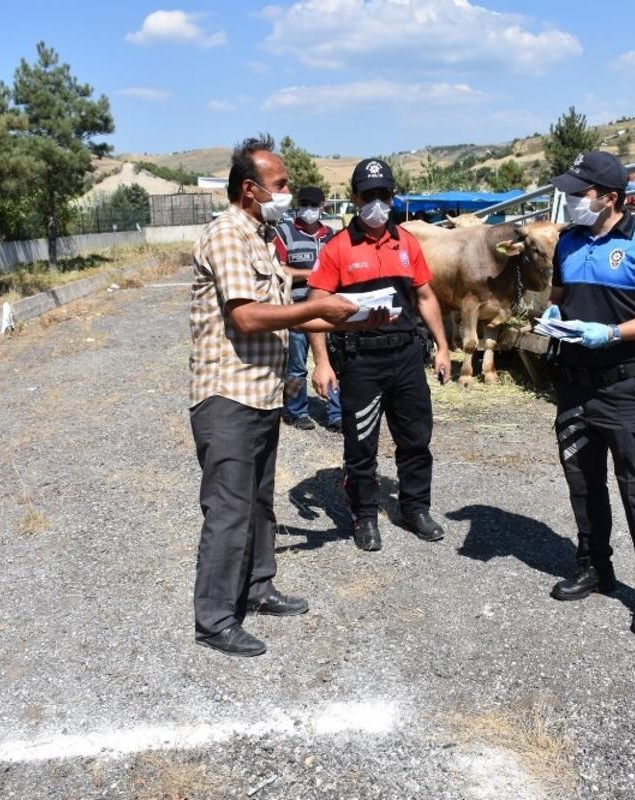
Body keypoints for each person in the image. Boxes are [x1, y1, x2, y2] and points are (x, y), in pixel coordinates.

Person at [187, 134, 387, 657]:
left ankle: (257, 587)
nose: (289, 191)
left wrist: (356, 317)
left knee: (258, 502)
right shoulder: (228, 234)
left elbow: (288, 306)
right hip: (227, 393)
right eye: (280, 184)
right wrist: (322, 310)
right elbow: (247, 315)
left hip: (260, 392)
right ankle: (213, 620)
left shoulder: (262, 235)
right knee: (229, 508)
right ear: (250, 189)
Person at [544, 151, 635, 635]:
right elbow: (560, 299)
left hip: (626, 385)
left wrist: (615, 333)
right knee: (583, 484)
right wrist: (553, 319)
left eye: (580, 193)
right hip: (574, 385)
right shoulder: (566, 244)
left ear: (611, 198)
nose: (571, 201)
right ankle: (594, 566)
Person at [307, 158, 452, 552]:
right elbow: (316, 304)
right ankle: (365, 516)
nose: (376, 202)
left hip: (406, 358)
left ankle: (415, 509)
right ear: (354, 198)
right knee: (361, 445)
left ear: (393, 195)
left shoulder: (407, 244)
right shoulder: (337, 248)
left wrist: (442, 347)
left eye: (383, 194)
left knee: (416, 439)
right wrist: (321, 362)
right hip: (360, 363)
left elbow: (424, 296)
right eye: (368, 195)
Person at [274, 186, 341, 432]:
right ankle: (296, 409)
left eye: (313, 205)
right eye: (304, 205)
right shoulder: (284, 233)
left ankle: (335, 412)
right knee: (296, 364)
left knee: (332, 360)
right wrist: (313, 275)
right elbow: (280, 269)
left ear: (323, 206)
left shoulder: (331, 236)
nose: (308, 210)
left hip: (327, 310)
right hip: (298, 308)